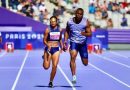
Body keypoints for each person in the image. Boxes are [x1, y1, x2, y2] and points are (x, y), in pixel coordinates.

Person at [63, 8, 92, 83]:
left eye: (81, 14)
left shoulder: (86, 22)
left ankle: (83, 57)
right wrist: (65, 41)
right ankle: (74, 76)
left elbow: (90, 33)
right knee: (73, 56)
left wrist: (84, 33)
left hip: (82, 44)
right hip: (73, 42)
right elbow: (66, 31)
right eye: (77, 13)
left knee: (85, 63)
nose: (79, 15)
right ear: (75, 13)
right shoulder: (69, 22)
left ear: (83, 15)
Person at [42, 16, 63, 87]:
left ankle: (51, 81)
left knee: (55, 66)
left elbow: (60, 39)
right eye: (51, 21)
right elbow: (44, 40)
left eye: (54, 21)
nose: (53, 23)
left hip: (56, 49)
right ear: (50, 22)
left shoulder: (60, 29)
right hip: (48, 49)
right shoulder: (47, 30)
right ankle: (44, 57)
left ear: (56, 22)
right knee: (46, 67)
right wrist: (48, 45)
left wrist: (62, 46)